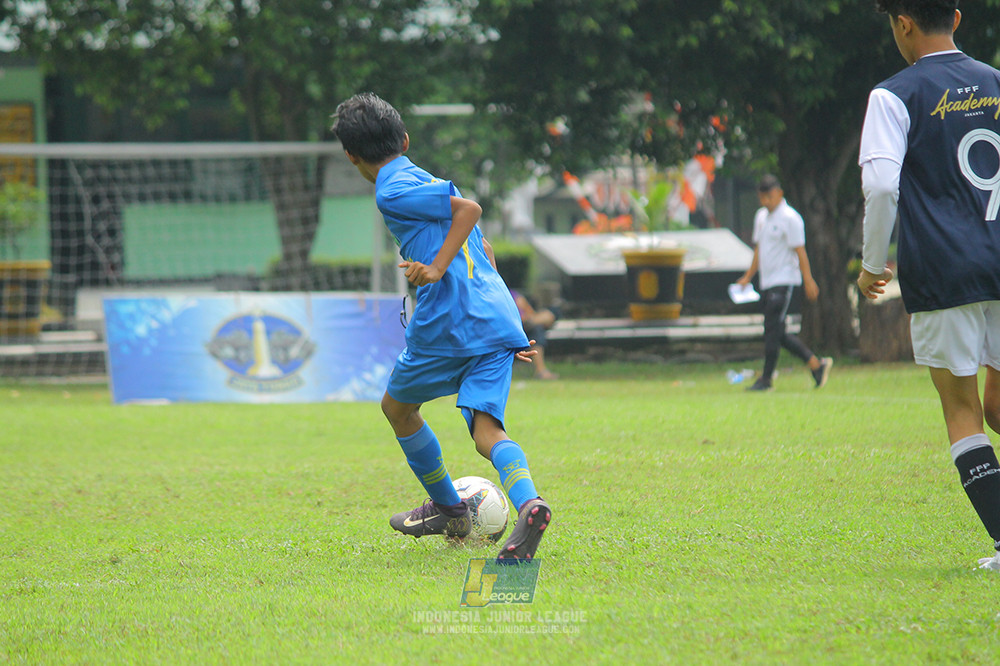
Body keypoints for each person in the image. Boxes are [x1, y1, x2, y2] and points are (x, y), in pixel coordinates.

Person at [330, 92, 552, 562]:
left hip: (448, 321)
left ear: (351, 156)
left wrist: (434, 268)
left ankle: (451, 510)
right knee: (487, 431)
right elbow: (484, 250)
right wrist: (503, 330)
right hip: (493, 315)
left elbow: (469, 210)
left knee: (397, 408)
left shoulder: (391, 189)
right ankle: (530, 504)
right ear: (405, 140)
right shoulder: (425, 178)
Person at [857, 0, 1000, 570]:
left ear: (903, 23)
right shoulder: (996, 82)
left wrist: (872, 264)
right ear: (957, 19)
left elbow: (881, 188)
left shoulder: (893, 95)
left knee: (964, 409)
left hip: (945, 270)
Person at [736, 175, 833, 392]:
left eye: (769, 197)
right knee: (776, 331)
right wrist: (748, 276)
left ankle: (766, 379)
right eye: (762, 197)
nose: (766, 202)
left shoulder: (791, 218)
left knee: (772, 329)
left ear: (779, 193)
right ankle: (816, 364)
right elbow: (759, 250)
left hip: (785, 280)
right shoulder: (761, 217)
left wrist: (808, 280)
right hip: (767, 281)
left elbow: (800, 252)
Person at [510, 288, 559, 380]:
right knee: (538, 327)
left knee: (537, 328)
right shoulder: (501, 294)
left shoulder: (514, 295)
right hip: (512, 326)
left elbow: (530, 312)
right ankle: (541, 371)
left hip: (525, 325)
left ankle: (532, 322)